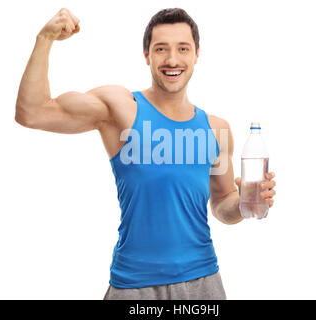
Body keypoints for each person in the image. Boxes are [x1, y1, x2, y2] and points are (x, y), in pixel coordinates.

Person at [15, 7, 276, 300]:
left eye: (183, 49)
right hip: (134, 286)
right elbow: (32, 112)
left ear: (196, 55)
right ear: (146, 55)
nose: (172, 59)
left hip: (204, 283)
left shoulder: (217, 130)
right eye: (161, 49)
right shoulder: (121, 109)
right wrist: (45, 38)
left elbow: (222, 204)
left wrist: (244, 202)